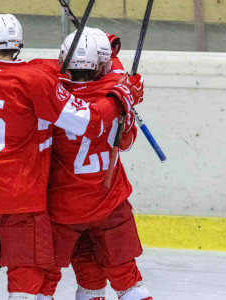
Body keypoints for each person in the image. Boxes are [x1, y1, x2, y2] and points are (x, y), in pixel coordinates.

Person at [0, 14, 144, 300]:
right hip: (21, 199)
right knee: (26, 277)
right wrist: (118, 93)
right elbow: (89, 122)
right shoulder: (36, 79)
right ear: (19, 42)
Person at [36, 28, 153, 300]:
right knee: (127, 278)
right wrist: (121, 81)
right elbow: (126, 142)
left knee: (45, 280)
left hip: (62, 209)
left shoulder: (52, 96)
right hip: (109, 204)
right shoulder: (117, 95)